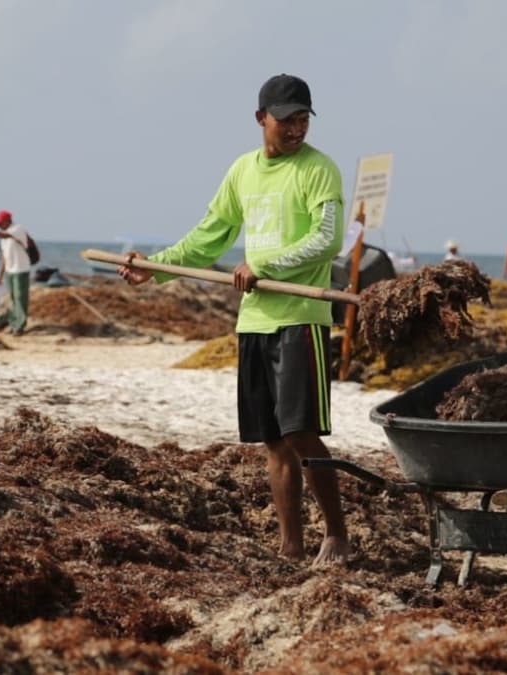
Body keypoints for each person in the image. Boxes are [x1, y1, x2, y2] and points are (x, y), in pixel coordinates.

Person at [117, 74, 350, 566]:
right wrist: (155, 271)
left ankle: (336, 534)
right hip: (255, 320)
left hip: (300, 318)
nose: (296, 128)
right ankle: (291, 547)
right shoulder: (243, 171)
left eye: (303, 118)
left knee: (301, 432)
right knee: (272, 440)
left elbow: (328, 239)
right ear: (260, 118)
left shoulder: (318, 170)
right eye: (286, 118)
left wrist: (264, 265)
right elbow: (210, 236)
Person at [0, 210, 31, 335]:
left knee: (20, 297)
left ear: (8, 221)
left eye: (0, 223)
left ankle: (20, 326)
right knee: (14, 298)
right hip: (10, 270)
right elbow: (5, 257)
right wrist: (0, 274)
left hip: (21, 269)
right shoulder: (3, 238)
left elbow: (4, 235)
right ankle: (14, 323)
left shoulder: (17, 229)